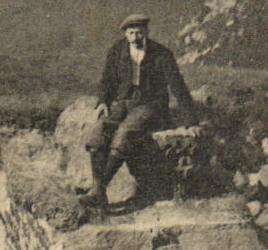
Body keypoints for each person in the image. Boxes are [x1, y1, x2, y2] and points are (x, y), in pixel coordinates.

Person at [82, 14, 198, 209]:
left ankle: (99, 190)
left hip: (150, 105)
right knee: (99, 131)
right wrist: (103, 101)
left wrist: (191, 120)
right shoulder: (117, 50)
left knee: (125, 133)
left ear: (147, 32)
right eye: (131, 33)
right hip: (122, 102)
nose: (136, 37)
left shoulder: (161, 54)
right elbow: (107, 80)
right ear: (126, 34)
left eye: (139, 32)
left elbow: (178, 87)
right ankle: (97, 188)